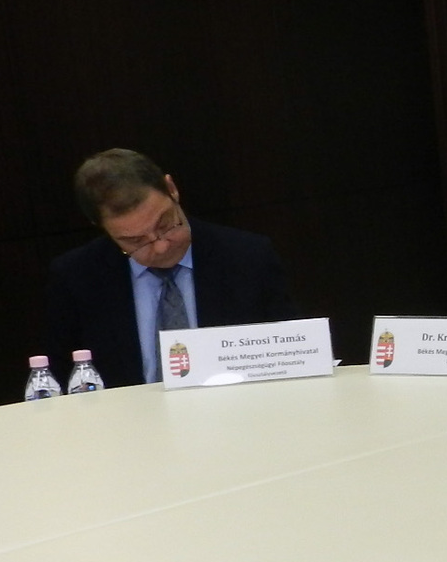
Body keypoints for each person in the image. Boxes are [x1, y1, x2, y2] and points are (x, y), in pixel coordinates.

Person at [46, 149, 299, 387]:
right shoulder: (76, 278)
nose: (160, 246)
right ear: (100, 226)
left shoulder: (248, 258)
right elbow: (62, 381)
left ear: (172, 189)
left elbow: (290, 358)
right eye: (135, 241)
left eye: (165, 224)